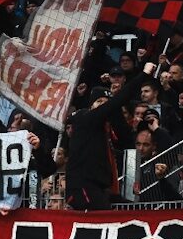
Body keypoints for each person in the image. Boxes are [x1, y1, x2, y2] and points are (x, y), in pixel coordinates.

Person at [66, 63, 154, 210]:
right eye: (99, 102)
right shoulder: (85, 118)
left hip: (101, 188)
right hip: (83, 187)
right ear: (91, 105)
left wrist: (115, 109)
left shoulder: (106, 128)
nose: (103, 106)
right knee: (100, 222)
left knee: (131, 211)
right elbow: (119, 100)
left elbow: (126, 139)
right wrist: (144, 74)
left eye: (105, 103)